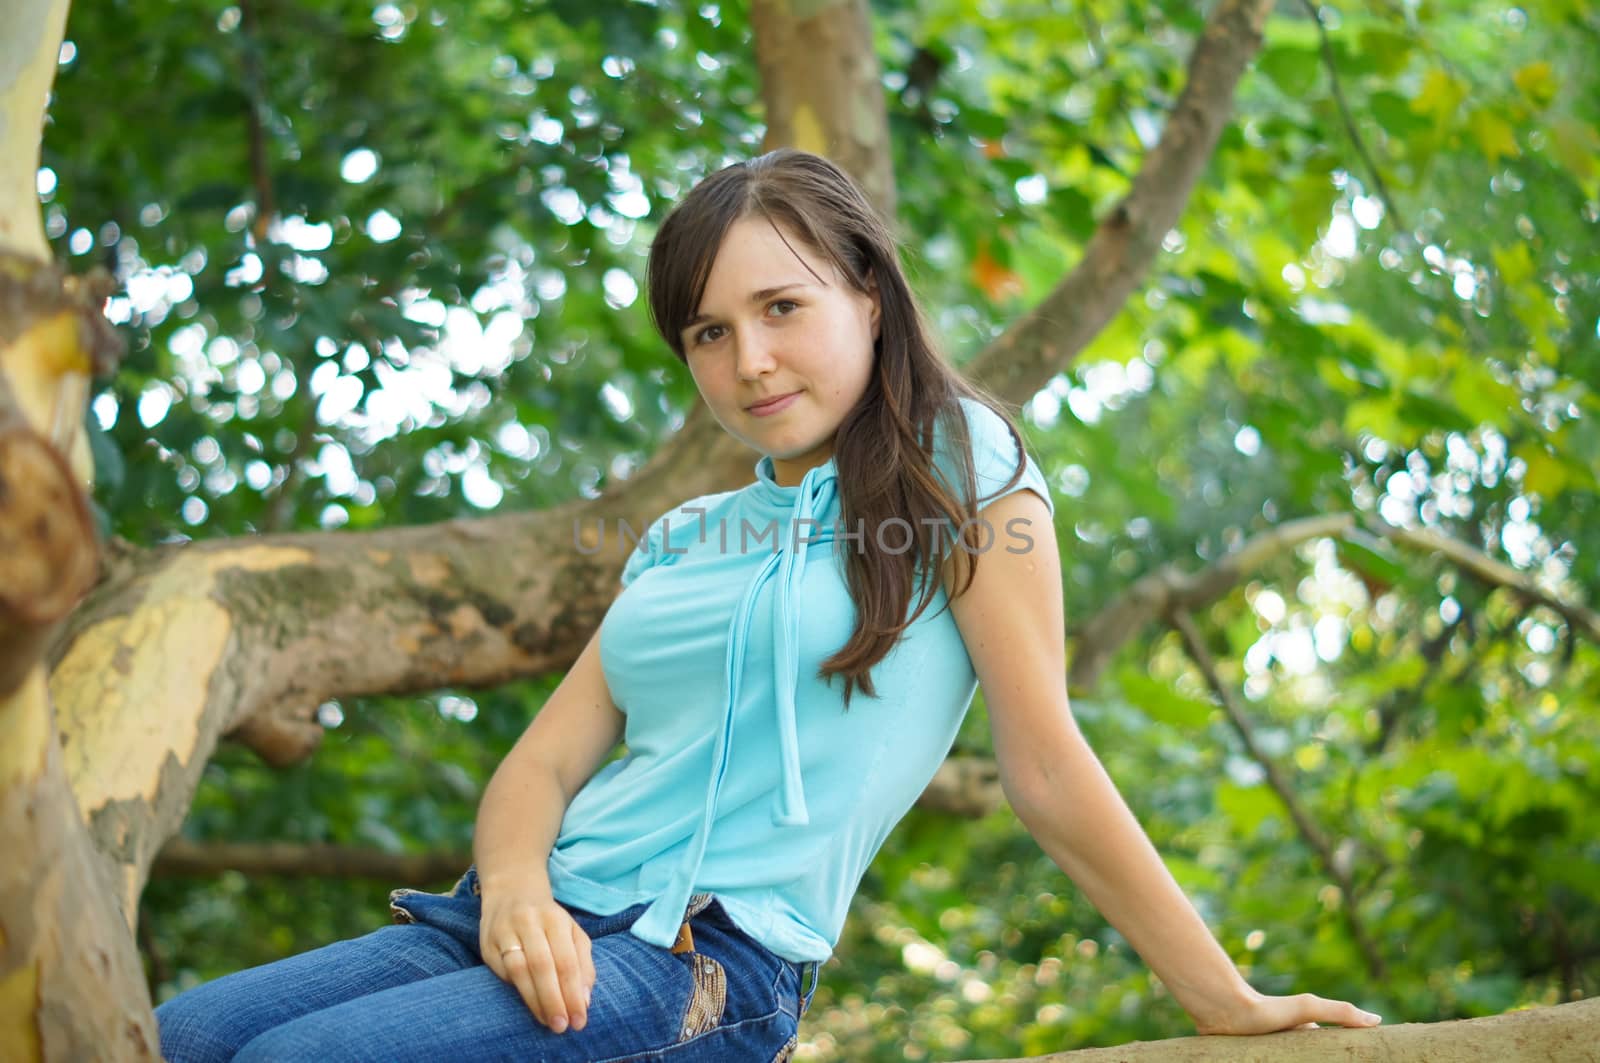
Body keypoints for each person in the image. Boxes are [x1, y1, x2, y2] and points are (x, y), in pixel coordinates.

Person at [155, 148, 1382, 1061]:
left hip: (694, 962)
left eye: (780, 309)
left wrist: (1222, 997)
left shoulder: (963, 464)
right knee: (158, 1037)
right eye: (708, 331)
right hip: (506, 918)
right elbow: (539, 768)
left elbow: (1045, 762)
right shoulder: (690, 534)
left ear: (865, 290)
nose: (748, 362)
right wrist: (516, 890)